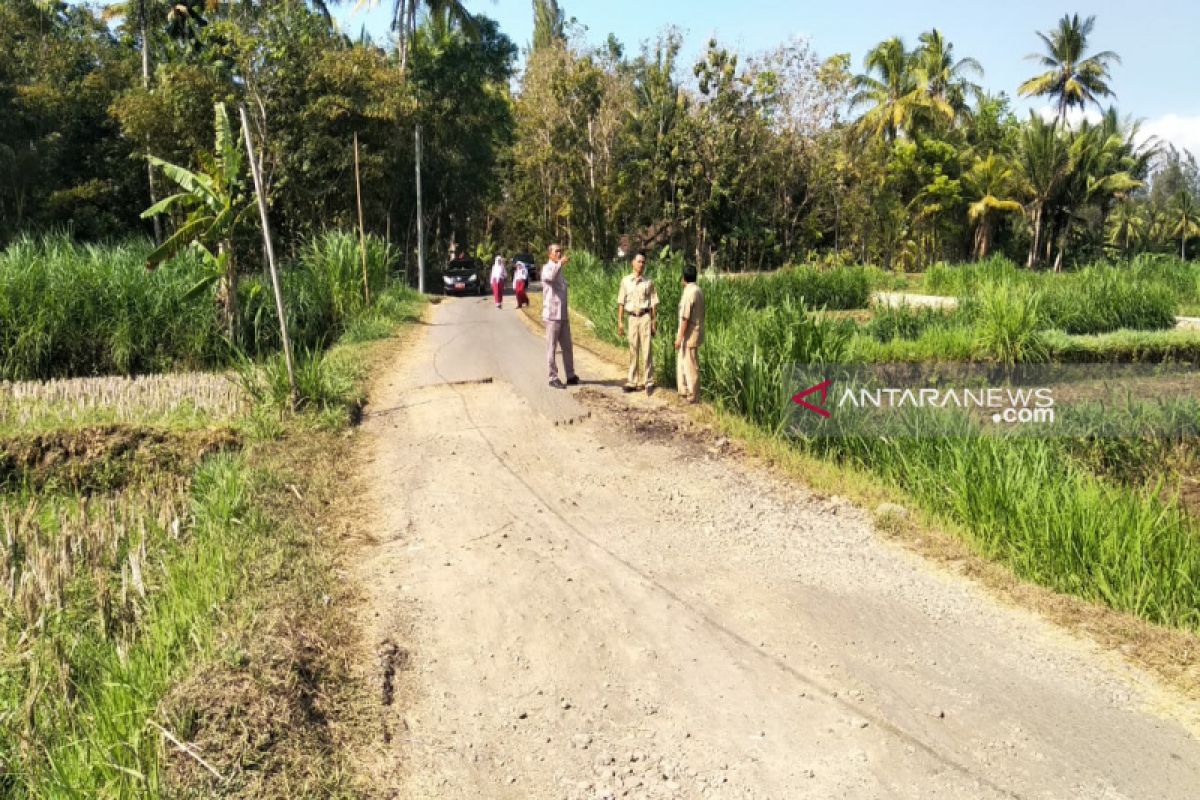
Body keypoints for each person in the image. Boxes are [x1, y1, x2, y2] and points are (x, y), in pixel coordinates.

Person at [616, 252, 659, 393]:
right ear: (632, 263)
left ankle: (648, 381)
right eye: (639, 261)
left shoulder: (649, 282)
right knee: (633, 349)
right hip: (632, 318)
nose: (641, 264)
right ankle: (632, 381)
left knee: (647, 350)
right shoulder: (625, 281)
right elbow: (621, 302)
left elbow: (653, 303)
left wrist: (654, 321)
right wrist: (620, 322)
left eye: (643, 262)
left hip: (645, 317)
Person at [542, 243, 579, 389]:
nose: (559, 253)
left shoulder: (559, 270)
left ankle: (570, 375)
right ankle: (553, 377)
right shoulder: (548, 268)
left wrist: (560, 266)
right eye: (556, 251)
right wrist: (559, 264)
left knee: (567, 347)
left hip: (562, 315)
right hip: (552, 316)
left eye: (560, 251)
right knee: (551, 348)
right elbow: (550, 277)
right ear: (549, 254)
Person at [674, 265, 704, 404]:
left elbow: (685, 318)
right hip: (695, 332)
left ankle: (693, 395)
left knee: (690, 365)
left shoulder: (688, 293)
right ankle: (684, 391)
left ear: (684, 278)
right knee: (684, 362)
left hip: (689, 334)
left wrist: (679, 337)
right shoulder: (698, 290)